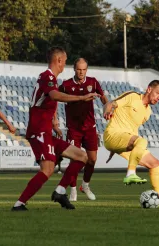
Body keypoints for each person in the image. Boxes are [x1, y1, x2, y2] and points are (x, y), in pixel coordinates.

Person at [12, 47, 99, 211]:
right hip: (39, 132)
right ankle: (19, 204)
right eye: (65, 61)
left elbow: (47, 101)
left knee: (82, 156)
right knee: (48, 169)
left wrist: (54, 123)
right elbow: (53, 95)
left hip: (46, 131)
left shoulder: (49, 79)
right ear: (58, 60)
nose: (65, 65)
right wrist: (81, 97)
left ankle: (59, 191)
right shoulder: (47, 77)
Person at [103, 80, 159, 208]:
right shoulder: (132, 96)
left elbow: (132, 130)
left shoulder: (147, 113)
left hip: (125, 140)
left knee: (155, 164)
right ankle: (130, 174)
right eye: (157, 93)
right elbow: (110, 104)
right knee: (141, 141)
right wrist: (106, 111)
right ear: (149, 89)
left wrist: (116, 148)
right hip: (112, 135)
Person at [59, 58, 108, 201]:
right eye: (79, 69)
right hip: (74, 129)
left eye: (84, 69)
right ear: (74, 69)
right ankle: (73, 190)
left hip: (90, 128)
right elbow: (54, 98)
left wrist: (107, 106)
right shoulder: (67, 85)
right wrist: (54, 118)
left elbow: (103, 98)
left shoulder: (92, 82)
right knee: (75, 160)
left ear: (87, 69)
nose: (81, 72)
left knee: (92, 160)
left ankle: (85, 185)